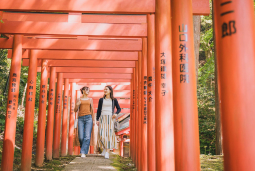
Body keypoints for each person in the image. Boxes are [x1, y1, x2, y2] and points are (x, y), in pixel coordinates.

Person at [96, 85, 121, 159]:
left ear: (110, 91)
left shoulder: (114, 100)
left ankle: (107, 151)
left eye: (106, 89)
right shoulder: (101, 100)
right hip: (102, 118)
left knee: (109, 135)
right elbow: (98, 110)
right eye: (104, 89)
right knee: (101, 134)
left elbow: (119, 108)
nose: (105, 90)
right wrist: (97, 119)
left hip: (110, 118)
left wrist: (116, 114)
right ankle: (104, 148)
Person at [74, 86, 95, 158]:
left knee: (87, 136)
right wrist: (77, 105)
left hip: (89, 118)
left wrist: (94, 120)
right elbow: (75, 110)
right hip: (80, 118)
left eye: (88, 90)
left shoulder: (90, 99)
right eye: (86, 90)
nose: (88, 91)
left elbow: (92, 110)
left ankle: (83, 152)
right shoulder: (79, 99)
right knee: (81, 137)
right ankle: (84, 149)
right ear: (82, 91)